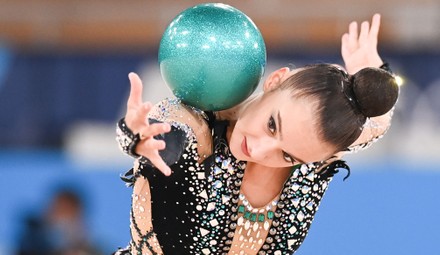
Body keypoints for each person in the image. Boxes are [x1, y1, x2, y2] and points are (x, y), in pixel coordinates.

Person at [114, 14, 399, 255]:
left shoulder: (315, 157)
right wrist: (134, 136)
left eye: (288, 155)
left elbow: (377, 124)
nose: (261, 150)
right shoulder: (197, 129)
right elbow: (166, 132)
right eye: (273, 125)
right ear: (276, 79)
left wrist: (373, 72)